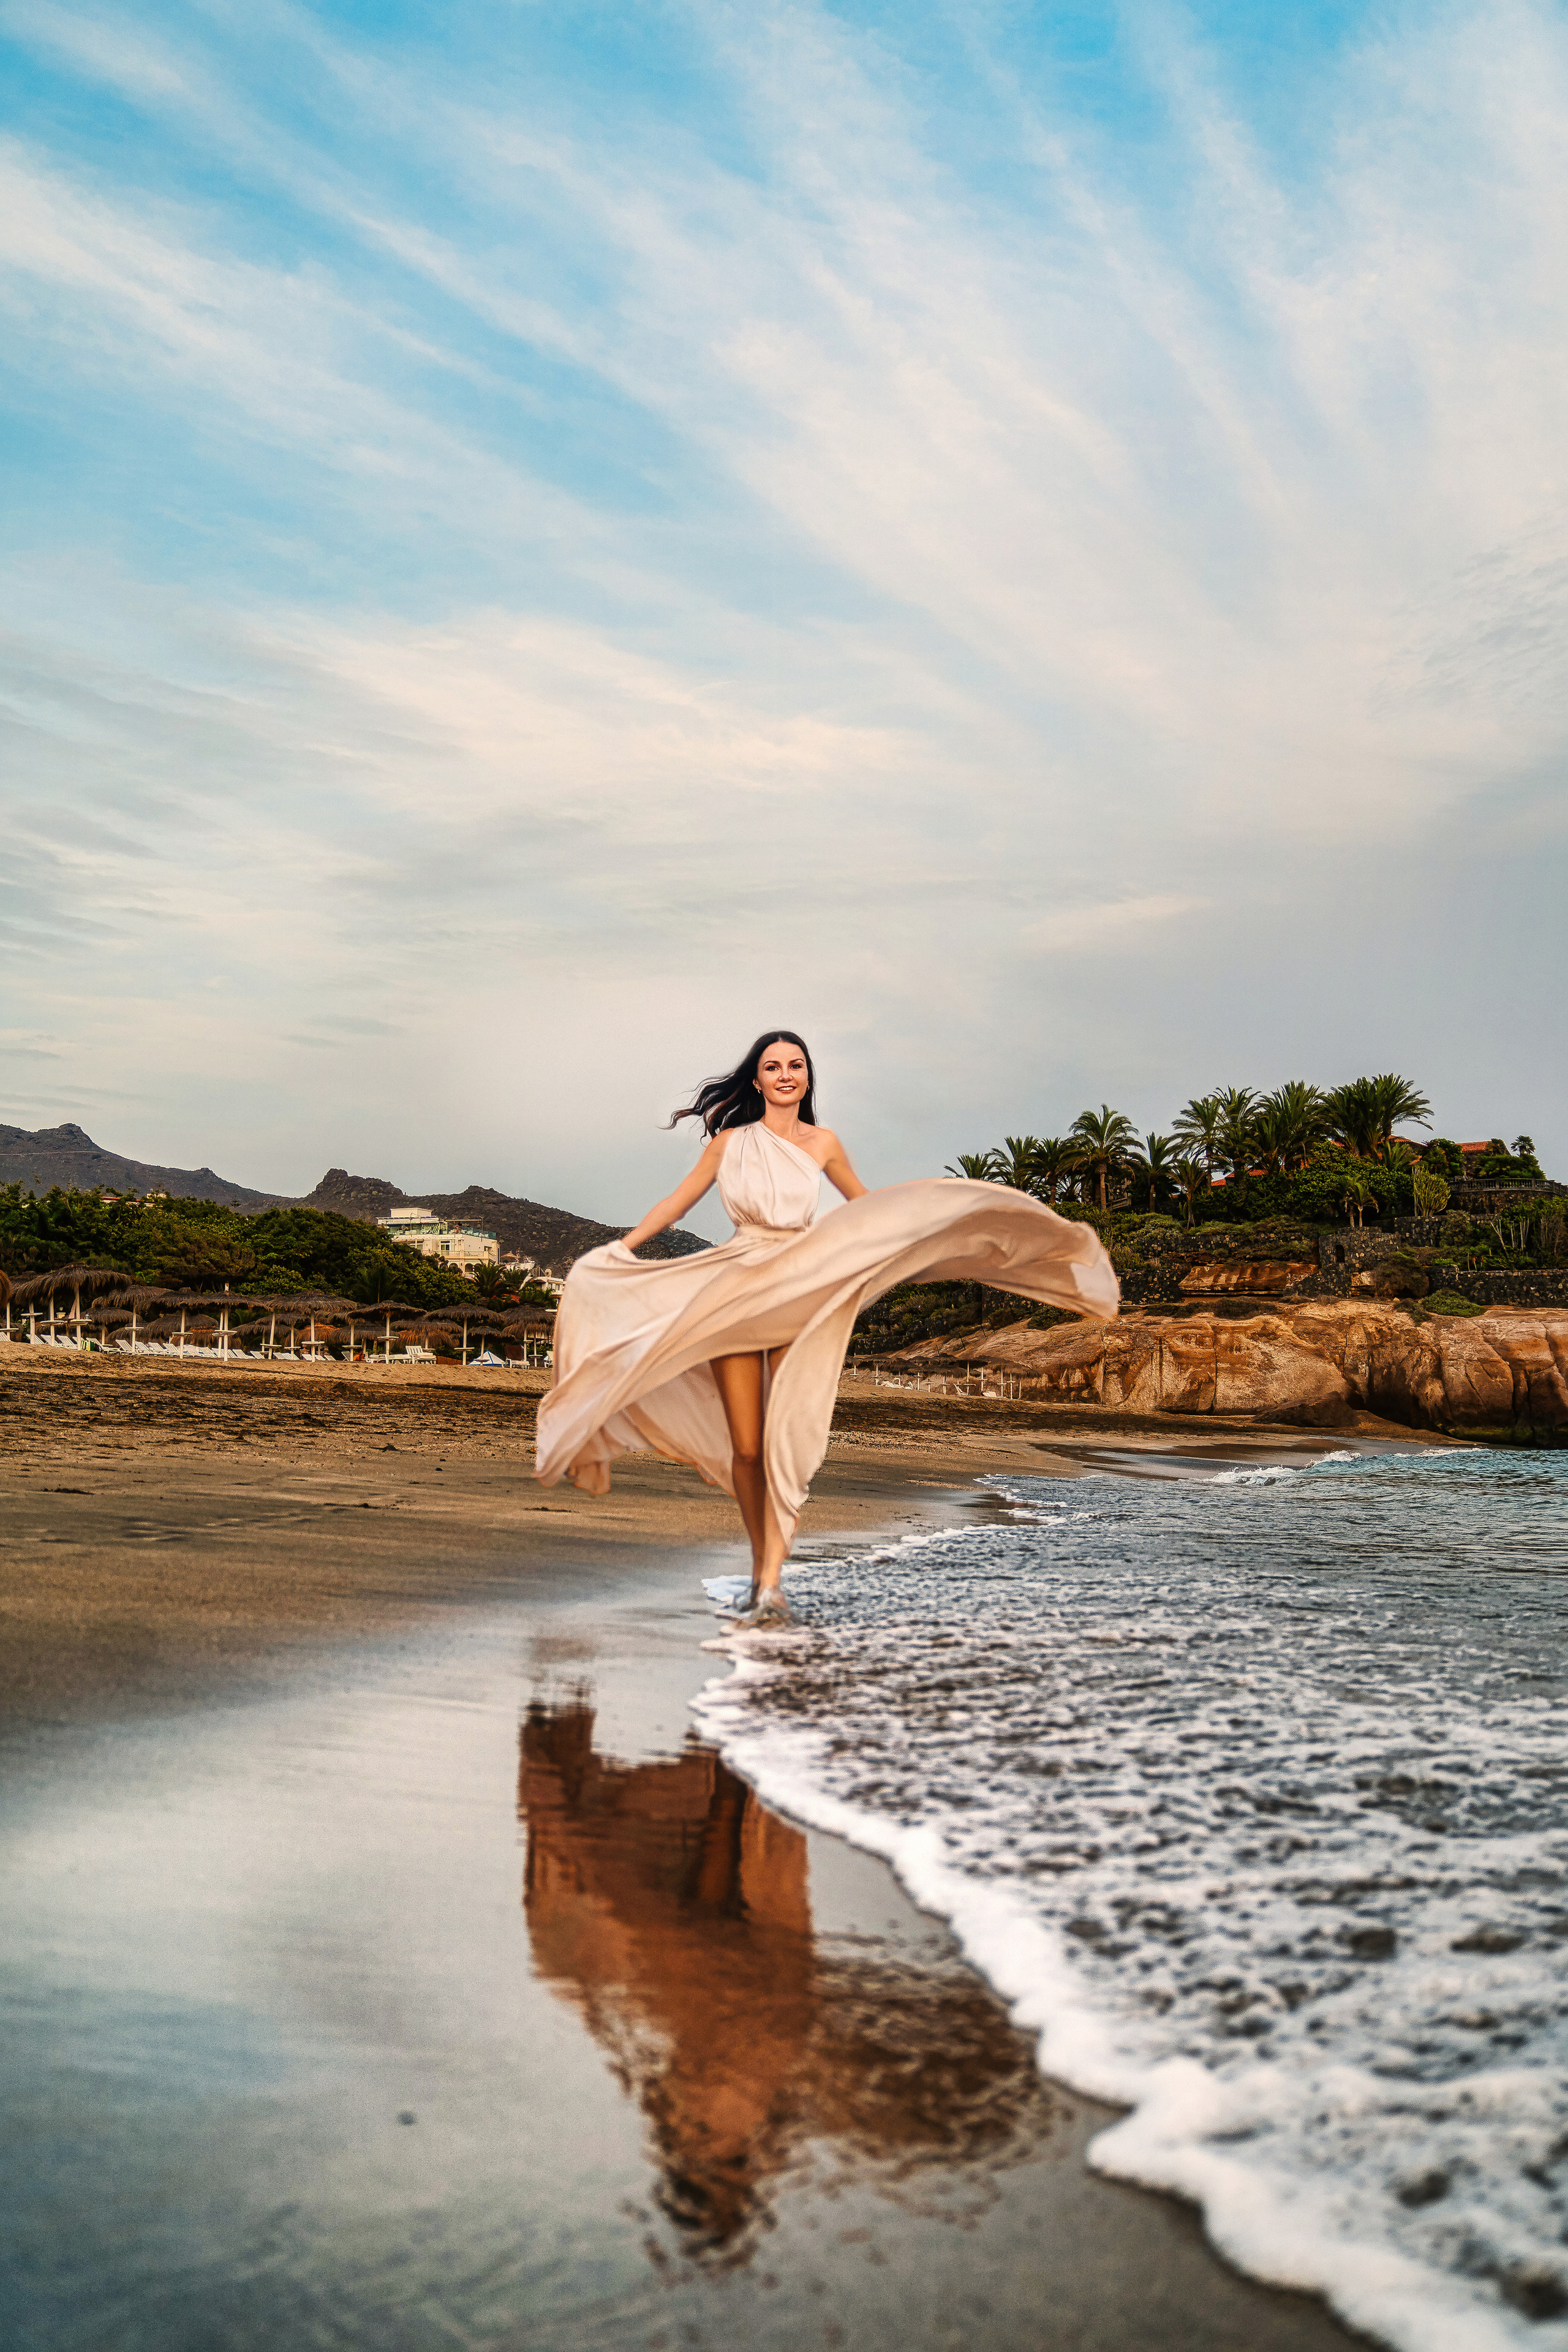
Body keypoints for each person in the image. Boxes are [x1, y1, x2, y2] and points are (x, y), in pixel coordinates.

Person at [533, 1031, 1118, 1629]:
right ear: (755, 1080)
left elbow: (868, 1211)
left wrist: (915, 1246)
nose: (785, 1074)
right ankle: (761, 1560)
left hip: (800, 1286)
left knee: (784, 1436)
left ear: (806, 1077)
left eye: (795, 1065)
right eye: (772, 1066)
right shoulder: (730, 1143)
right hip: (734, 1289)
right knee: (746, 1447)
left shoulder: (823, 1143)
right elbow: (675, 1206)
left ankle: (768, 1583)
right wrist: (620, 1251)